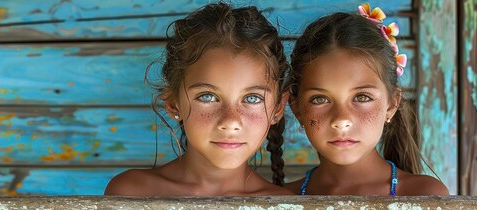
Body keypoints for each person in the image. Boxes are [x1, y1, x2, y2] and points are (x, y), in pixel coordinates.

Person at [105, 2, 292, 196]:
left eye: (252, 98)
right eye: (208, 96)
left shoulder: (287, 205)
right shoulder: (132, 192)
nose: (231, 122)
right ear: (173, 104)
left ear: (277, 108)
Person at [284, 3, 448, 196]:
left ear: (392, 103)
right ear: (296, 108)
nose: (342, 120)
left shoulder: (424, 196)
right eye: (320, 99)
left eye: (362, 97)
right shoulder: (282, 200)